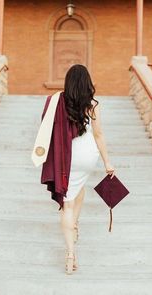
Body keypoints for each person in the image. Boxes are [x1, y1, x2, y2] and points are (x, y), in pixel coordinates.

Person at [41, 64, 115, 275]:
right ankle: (75, 225)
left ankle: (70, 253)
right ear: (87, 82)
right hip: (88, 156)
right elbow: (99, 134)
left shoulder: (58, 102)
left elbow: (47, 128)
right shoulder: (92, 104)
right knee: (77, 188)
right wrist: (107, 162)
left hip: (67, 156)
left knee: (67, 203)